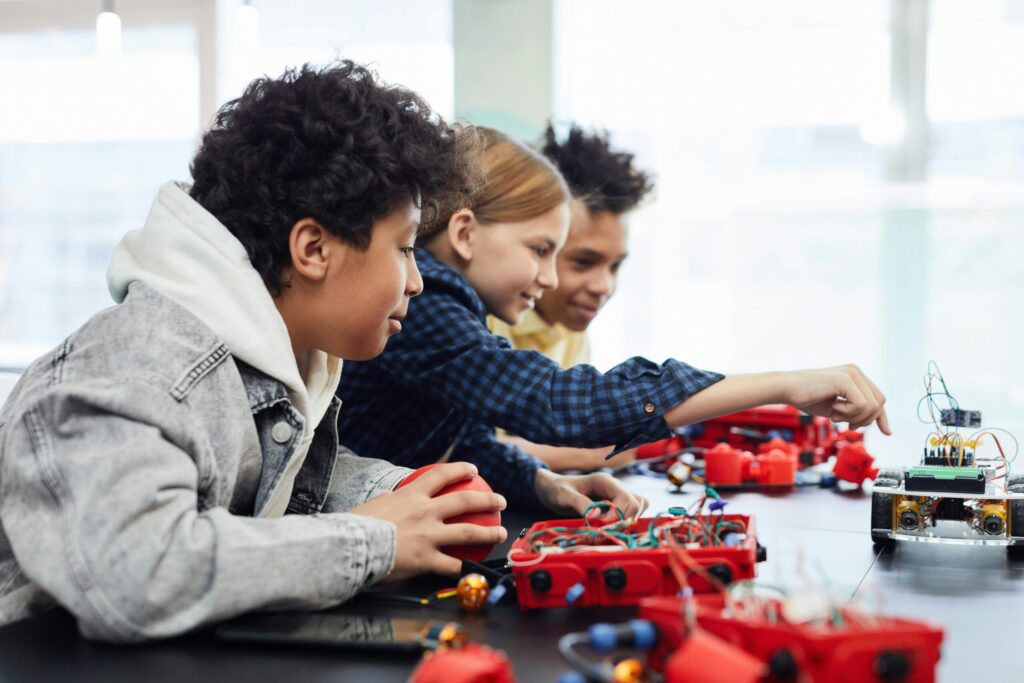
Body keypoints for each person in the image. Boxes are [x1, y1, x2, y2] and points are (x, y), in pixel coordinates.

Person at [0, 61, 506, 641]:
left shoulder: (267, 358)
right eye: (406, 249)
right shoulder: (137, 365)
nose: (416, 282)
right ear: (314, 248)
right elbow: (139, 573)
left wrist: (398, 496)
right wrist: (377, 540)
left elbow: (254, 490)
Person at [337, 125, 890, 521]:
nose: (550, 279)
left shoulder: (450, 304)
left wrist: (546, 484)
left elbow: (464, 441)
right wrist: (785, 385)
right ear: (464, 234)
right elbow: (558, 404)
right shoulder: (429, 300)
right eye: (541, 250)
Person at [488, 123, 654, 471]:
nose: (603, 286)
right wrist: (589, 450)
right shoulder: (482, 318)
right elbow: (470, 447)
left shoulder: (572, 327)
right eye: (584, 261)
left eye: (615, 266)